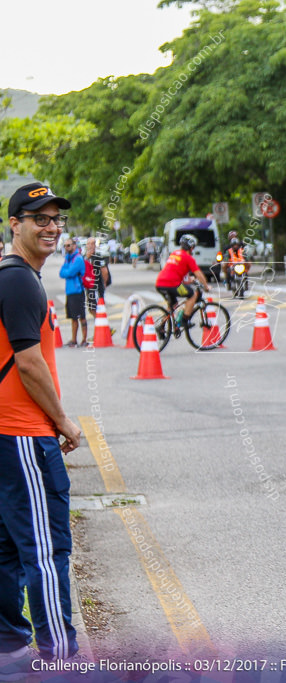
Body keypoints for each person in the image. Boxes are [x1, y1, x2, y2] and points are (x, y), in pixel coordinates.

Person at [1, 183, 82, 670]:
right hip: (25, 436)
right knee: (47, 551)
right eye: (39, 219)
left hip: (8, 436)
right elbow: (30, 363)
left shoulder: (13, 277)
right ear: (15, 224)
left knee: (9, 548)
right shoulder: (18, 280)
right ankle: (61, 658)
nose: (51, 227)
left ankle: (9, 645)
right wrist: (63, 421)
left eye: (56, 219)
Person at [154, 235, 211, 328]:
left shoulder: (175, 254)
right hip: (172, 284)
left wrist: (191, 280)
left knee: (173, 305)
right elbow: (199, 274)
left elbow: (183, 277)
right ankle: (185, 320)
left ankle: (161, 326)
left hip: (160, 283)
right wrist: (206, 286)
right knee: (192, 294)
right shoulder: (188, 258)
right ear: (192, 247)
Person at [58, 239, 87, 347]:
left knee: (81, 316)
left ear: (74, 246)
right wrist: (67, 272)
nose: (67, 247)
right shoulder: (68, 259)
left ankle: (84, 339)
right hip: (69, 291)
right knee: (73, 317)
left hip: (77, 291)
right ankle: (74, 339)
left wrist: (67, 272)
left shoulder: (78, 258)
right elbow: (61, 273)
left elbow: (69, 272)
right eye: (65, 246)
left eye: (69, 245)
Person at [83, 238, 110, 329]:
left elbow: (104, 271)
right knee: (91, 308)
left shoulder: (98, 256)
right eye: (88, 244)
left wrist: (104, 283)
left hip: (97, 286)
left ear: (95, 245)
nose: (90, 245)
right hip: (88, 286)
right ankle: (100, 325)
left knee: (98, 308)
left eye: (92, 244)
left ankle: (104, 327)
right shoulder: (85, 256)